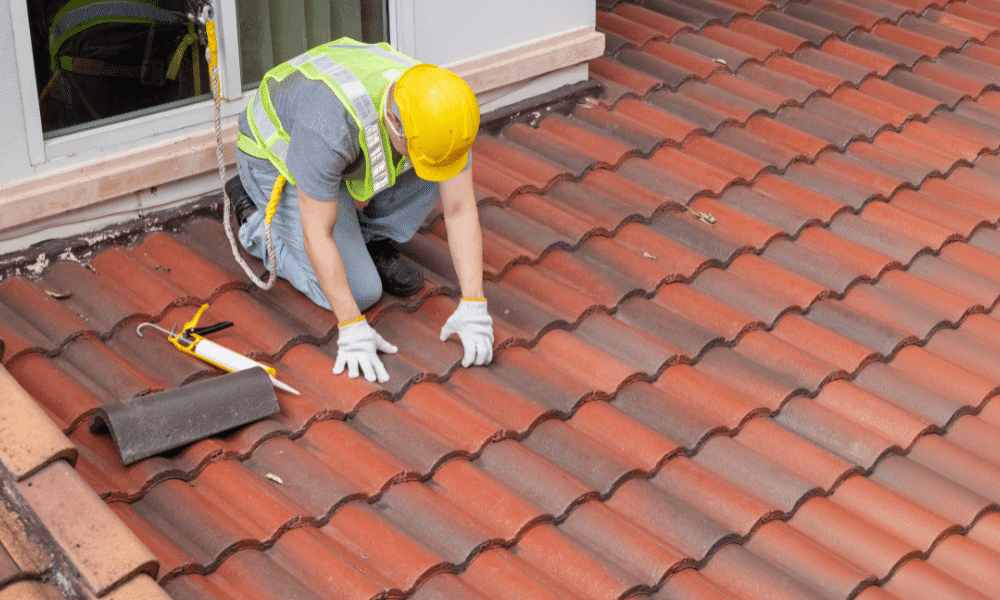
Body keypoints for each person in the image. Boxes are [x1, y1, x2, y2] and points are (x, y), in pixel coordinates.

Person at [231, 38, 493, 383]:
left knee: (439, 167)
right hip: (278, 158)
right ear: (392, 121)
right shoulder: (329, 125)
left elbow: (458, 208)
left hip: (333, 154)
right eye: (412, 152)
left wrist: (474, 304)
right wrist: (352, 326)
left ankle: (363, 238)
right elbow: (317, 234)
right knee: (361, 292)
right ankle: (254, 220)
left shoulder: (440, 111)